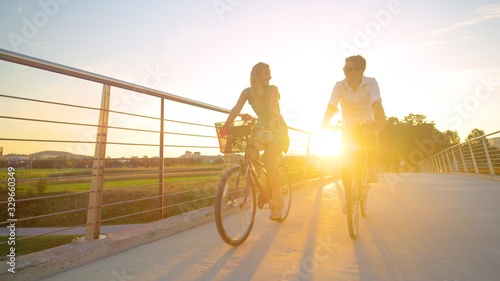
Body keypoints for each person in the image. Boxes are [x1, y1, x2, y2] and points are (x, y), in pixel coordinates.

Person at [222, 62, 290, 220]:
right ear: (256, 76)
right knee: (250, 153)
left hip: (277, 130)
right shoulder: (247, 92)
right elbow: (236, 108)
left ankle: (278, 202)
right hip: (261, 129)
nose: (270, 76)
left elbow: (272, 107)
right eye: (266, 73)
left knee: (267, 159)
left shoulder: (273, 89)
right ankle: (262, 182)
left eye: (269, 73)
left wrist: (271, 123)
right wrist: (226, 126)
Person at [321, 55, 387, 183]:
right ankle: (349, 199)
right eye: (344, 69)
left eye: (349, 69)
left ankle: (370, 166)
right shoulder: (339, 86)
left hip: (367, 122)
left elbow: (376, 101)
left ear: (360, 70)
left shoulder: (371, 82)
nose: (345, 72)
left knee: (372, 136)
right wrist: (324, 123)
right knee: (345, 161)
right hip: (348, 125)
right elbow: (332, 105)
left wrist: (381, 118)